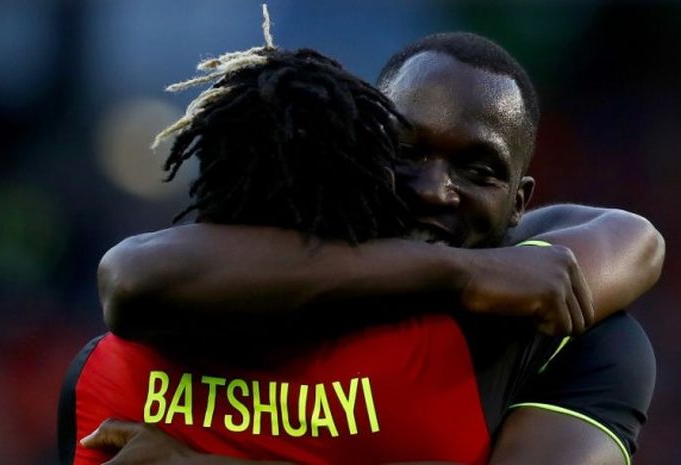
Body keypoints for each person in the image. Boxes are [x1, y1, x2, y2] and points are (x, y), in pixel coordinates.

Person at [64, 32, 662, 465]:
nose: (434, 191)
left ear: (519, 202)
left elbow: (631, 239)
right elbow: (131, 275)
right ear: (363, 151)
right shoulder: (166, 322)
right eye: (406, 152)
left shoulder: (566, 347)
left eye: (478, 169)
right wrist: (463, 274)